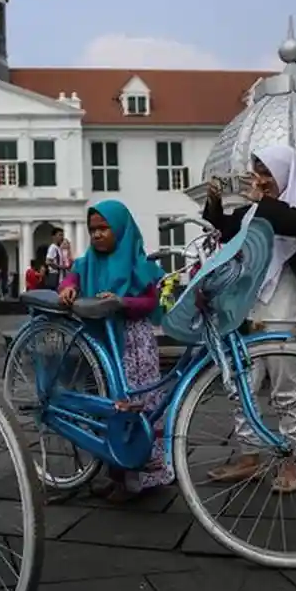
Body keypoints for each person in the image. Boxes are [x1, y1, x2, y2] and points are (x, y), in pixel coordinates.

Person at [201, 145, 296, 494]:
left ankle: (291, 461)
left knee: (286, 391)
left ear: (285, 174)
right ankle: (249, 458)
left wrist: (262, 204)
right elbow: (227, 228)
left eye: (267, 173)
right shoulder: (260, 209)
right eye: (257, 172)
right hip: (252, 310)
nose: (261, 179)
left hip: (286, 312)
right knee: (240, 386)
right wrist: (215, 201)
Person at [58, 201, 170, 502]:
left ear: (121, 230)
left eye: (104, 228)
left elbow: (149, 301)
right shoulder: (87, 263)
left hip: (134, 346)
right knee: (108, 409)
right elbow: (72, 276)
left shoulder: (138, 264)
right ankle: (115, 472)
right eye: (93, 229)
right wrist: (67, 288)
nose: (97, 235)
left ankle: (139, 478)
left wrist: (122, 302)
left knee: (135, 406)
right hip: (102, 348)